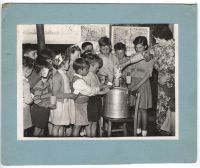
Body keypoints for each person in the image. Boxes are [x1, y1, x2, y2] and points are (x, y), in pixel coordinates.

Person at [72, 58, 107, 137]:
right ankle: (73, 143)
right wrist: (102, 90)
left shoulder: (79, 78)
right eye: (86, 69)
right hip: (79, 105)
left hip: (81, 104)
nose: (88, 71)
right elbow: (89, 90)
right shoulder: (79, 81)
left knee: (78, 126)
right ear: (80, 70)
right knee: (77, 126)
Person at [48, 53, 77, 137]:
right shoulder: (57, 76)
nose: (69, 64)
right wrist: (70, 95)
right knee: (57, 126)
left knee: (61, 126)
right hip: (59, 105)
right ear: (63, 64)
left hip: (64, 103)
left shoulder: (64, 74)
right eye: (68, 62)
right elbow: (55, 93)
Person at [83, 53, 109, 137]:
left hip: (96, 101)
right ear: (90, 65)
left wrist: (104, 85)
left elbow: (97, 86)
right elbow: (91, 90)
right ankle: (89, 140)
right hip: (90, 101)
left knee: (95, 122)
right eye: (96, 67)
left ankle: (93, 139)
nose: (98, 69)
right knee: (89, 122)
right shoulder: (87, 75)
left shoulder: (94, 75)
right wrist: (104, 92)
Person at [31, 60, 55, 137]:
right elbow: (37, 100)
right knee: (38, 129)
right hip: (39, 110)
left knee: (42, 129)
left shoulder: (46, 83)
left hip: (44, 109)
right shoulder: (39, 85)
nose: (51, 73)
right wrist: (47, 105)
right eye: (49, 71)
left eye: (51, 70)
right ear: (42, 72)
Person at [23, 56, 35, 136]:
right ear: (27, 71)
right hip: (23, 109)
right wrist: (33, 97)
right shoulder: (25, 83)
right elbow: (27, 100)